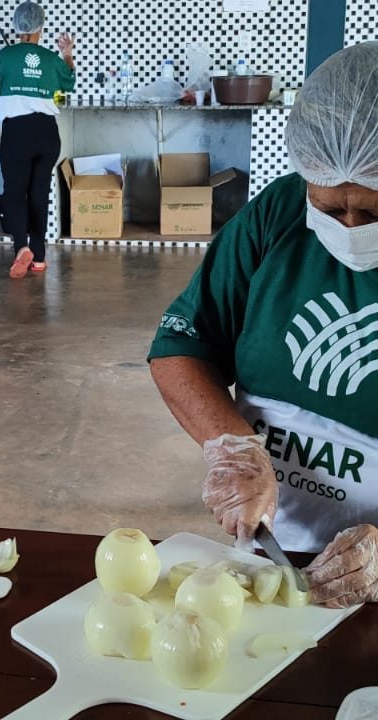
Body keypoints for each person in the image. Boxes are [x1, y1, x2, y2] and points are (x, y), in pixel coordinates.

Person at [148, 42, 378, 609]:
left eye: (373, 212)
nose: (349, 227)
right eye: (330, 209)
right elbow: (181, 346)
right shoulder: (279, 213)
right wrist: (233, 451)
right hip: (272, 548)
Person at [0, 1, 75, 279]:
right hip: (47, 133)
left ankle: (21, 248)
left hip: (17, 133)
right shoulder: (51, 59)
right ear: (40, 27)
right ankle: (38, 257)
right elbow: (68, 83)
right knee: (39, 192)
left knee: (15, 192)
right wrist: (67, 54)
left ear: (17, 27)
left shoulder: (6, 56)